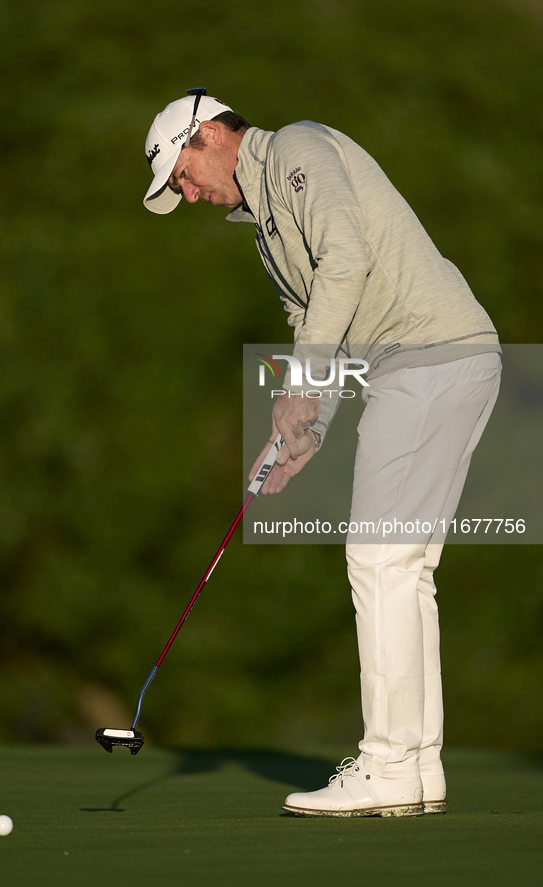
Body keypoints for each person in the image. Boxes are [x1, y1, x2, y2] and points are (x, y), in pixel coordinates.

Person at [143, 89, 502, 817]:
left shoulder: (299, 149)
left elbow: (347, 258)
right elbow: (315, 317)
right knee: (404, 566)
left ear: (208, 133)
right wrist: (307, 428)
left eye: (181, 176)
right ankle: (417, 762)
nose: (189, 196)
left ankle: (385, 765)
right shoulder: (265, 230)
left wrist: (302, 385)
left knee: (375, 557)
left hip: (428, 357)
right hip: (431, 363)